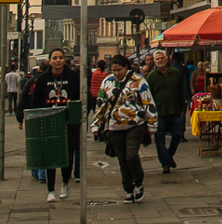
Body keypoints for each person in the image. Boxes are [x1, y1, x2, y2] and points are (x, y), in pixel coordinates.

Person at [22, 47, 84, 200]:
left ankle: (64, 182)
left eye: (61, 58)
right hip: (49, 121)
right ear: (49, 61)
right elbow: (35, 101)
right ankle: (50, 190)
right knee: (49, 155)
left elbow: (80, 97)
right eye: (55, 58)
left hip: (68, 122)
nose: (58, 61)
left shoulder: (73, 76)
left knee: (67, 154)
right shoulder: (43, 78)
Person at [94, 54, 158, 202]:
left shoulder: (138, 81)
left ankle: (138, 183)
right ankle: (128, 189)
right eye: (114, 70)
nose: (116, 73)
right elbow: (101, 104)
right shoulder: (107, 82)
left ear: (126, 68)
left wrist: (152, 123)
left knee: (131, 155)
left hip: (134, 124)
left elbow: (148, 101)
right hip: (114, 127)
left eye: (119, 70)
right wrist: (96, 124)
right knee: (122, 159)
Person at [147, 48, 188, 173]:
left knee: (177, 135)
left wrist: (182, 107)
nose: (160, 60)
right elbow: (148, 96)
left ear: (167, 59)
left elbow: (180, 90)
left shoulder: (175, 73)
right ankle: (165, 163)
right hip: (158, 113)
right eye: (157, 59)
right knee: (159, 139)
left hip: (174, 110)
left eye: (162, 58)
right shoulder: (152, 76)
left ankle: (169, 156)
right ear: (154, 61)